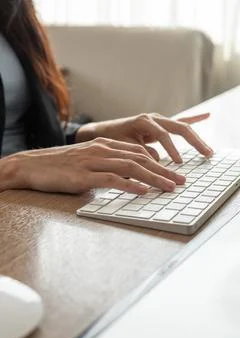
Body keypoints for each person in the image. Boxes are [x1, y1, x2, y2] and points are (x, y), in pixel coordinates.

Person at [0, 0, 213, 195]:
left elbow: (26, 130)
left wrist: (96, 132)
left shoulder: (13, 11)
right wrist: (15, 168)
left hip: (31, 194)